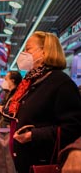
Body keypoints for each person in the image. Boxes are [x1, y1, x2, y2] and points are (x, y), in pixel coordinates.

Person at [7, 31, 81, 173]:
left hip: (43, 163)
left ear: (45, 51)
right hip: (25, 162)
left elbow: (74, 127)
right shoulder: (32, 80)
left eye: (28, 49)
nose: (23, 53)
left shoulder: (61, 83)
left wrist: (33, 135)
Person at [0, 71, 22, 173]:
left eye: (6, 79)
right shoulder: (8, 92)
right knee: (1, 159)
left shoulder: (17, 94)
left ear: (12, 80)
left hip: (7, 131)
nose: (4, 81)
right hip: (2, 129)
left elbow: (15, 111)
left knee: (6, 160)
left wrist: (3, 109)